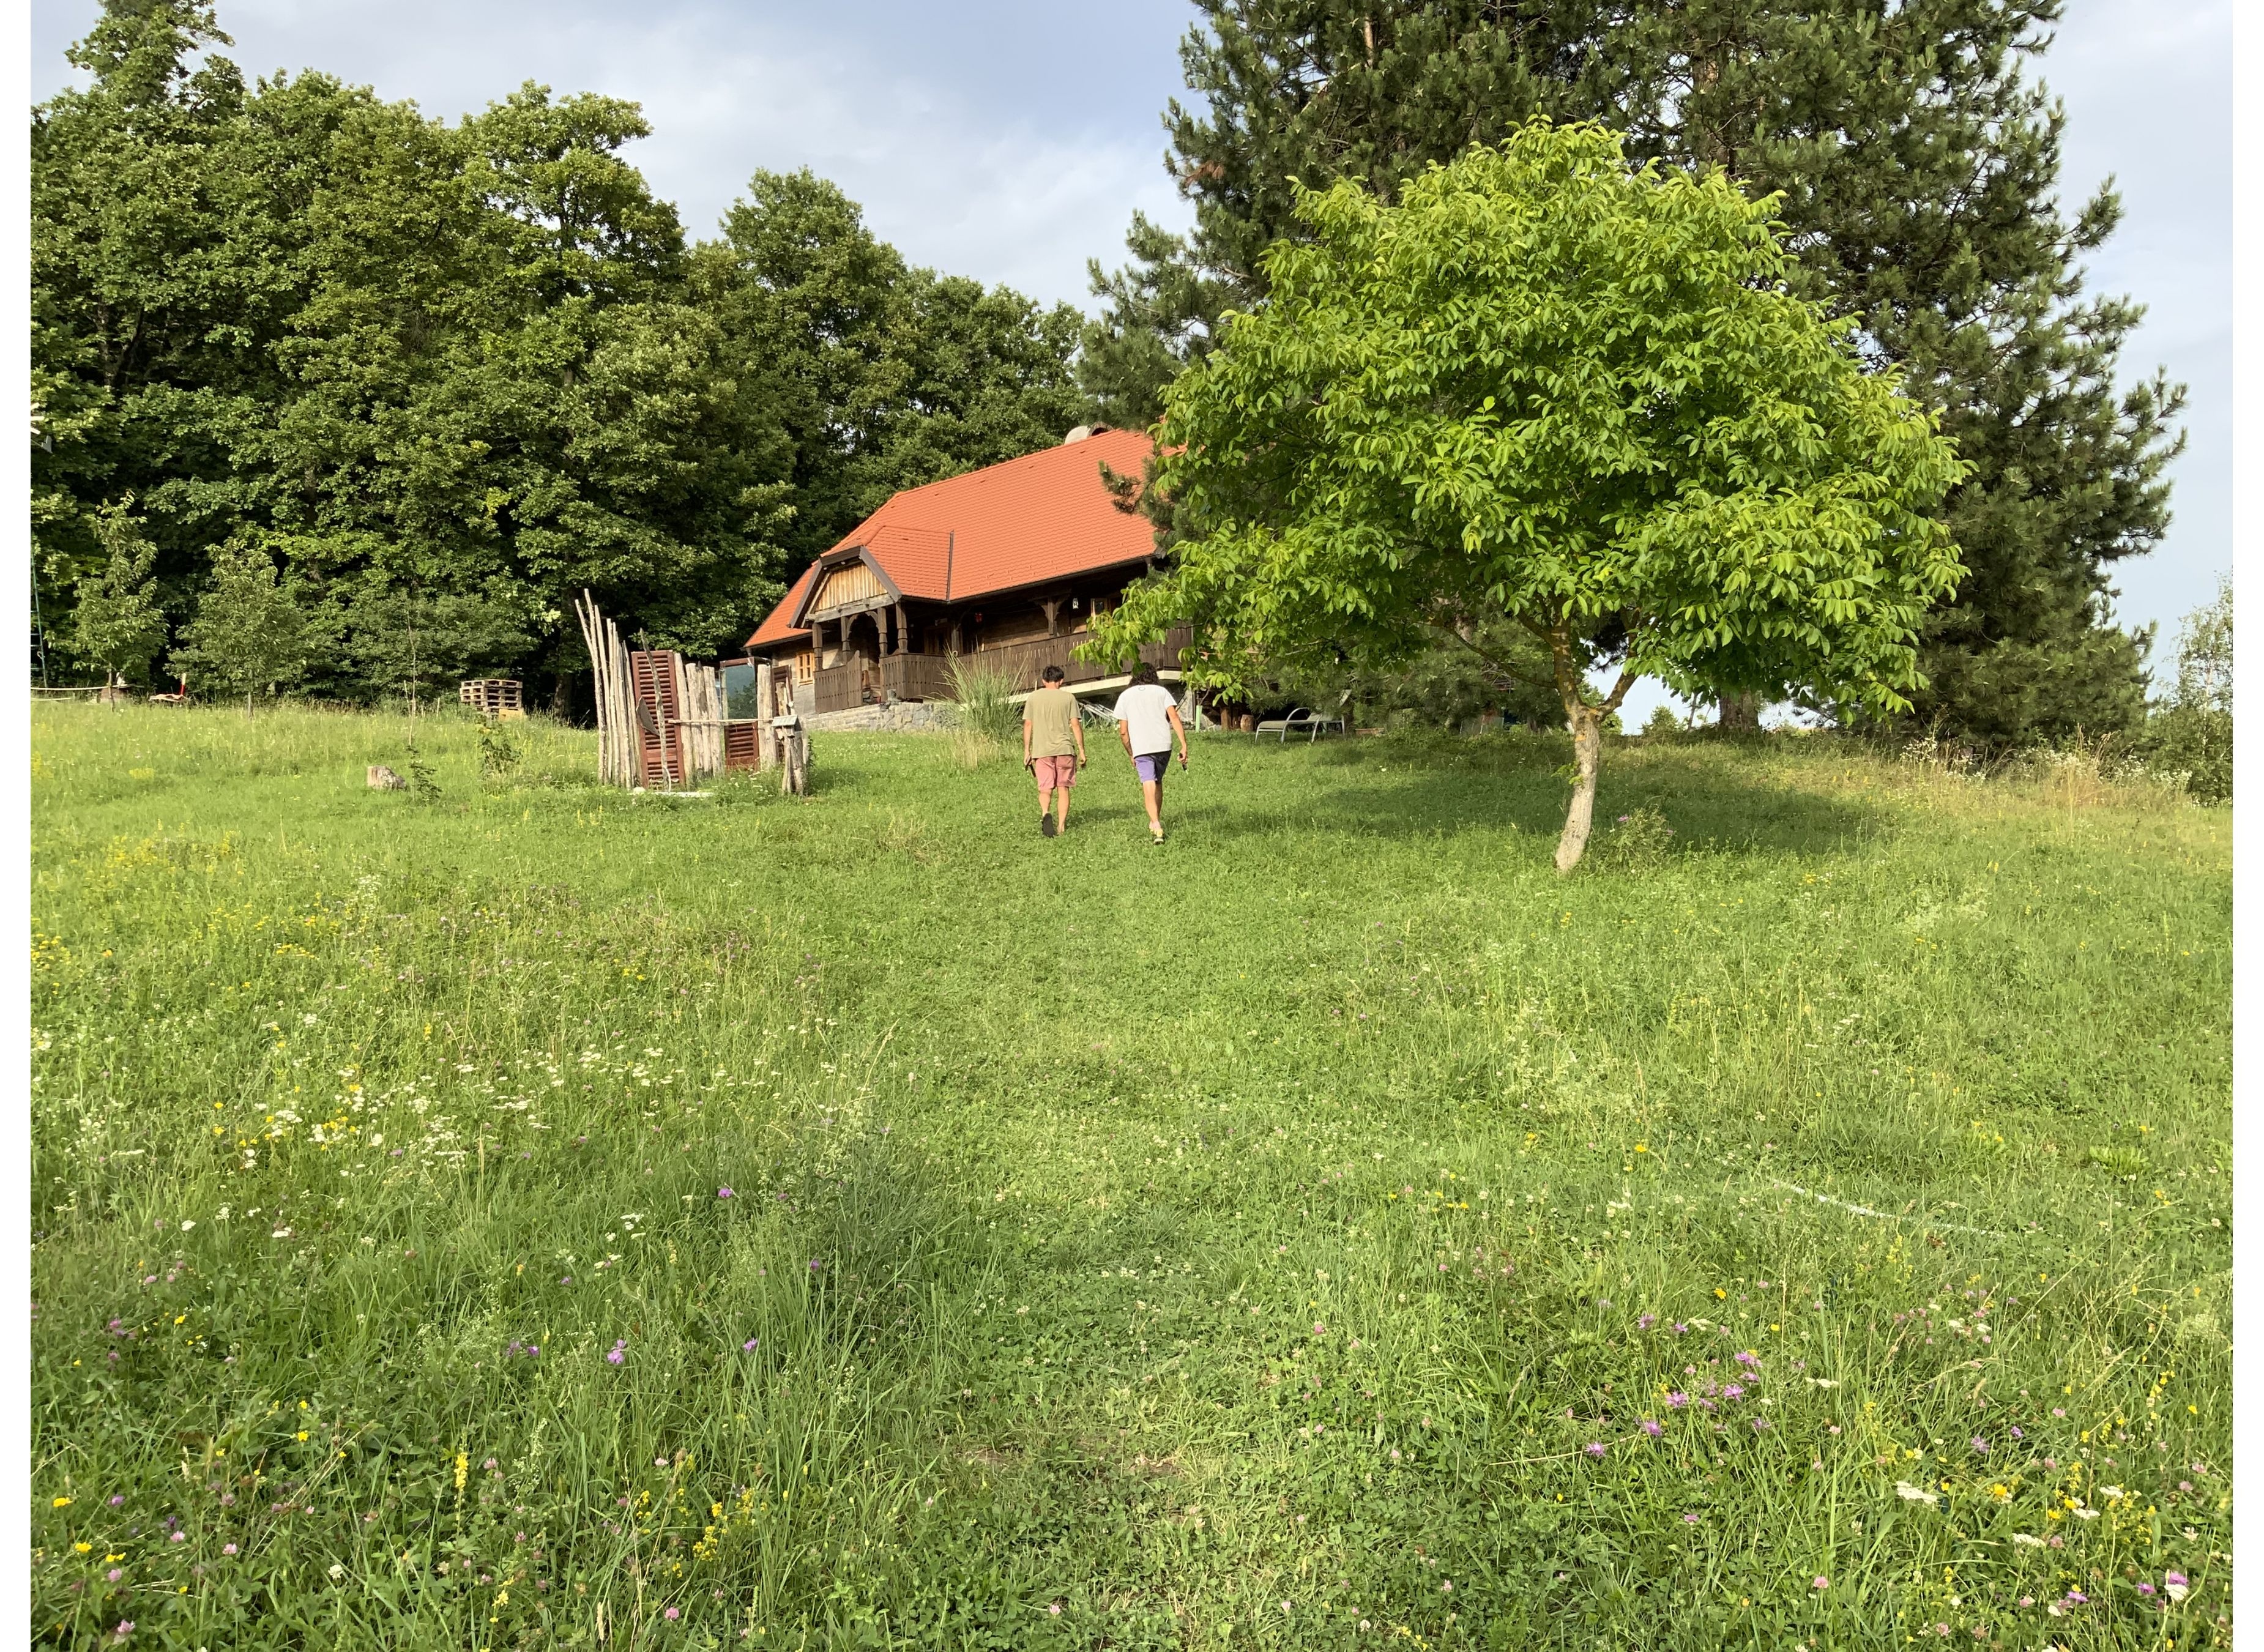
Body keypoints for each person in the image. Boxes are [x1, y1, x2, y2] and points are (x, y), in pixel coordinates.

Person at [1112, 662, 1188, 843]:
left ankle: (1155, 823)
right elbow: (1175, 718)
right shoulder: (1162, 692)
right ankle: (1157, 820)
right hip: (1163, 745)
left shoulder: (1125, 696)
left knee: (1148, 782)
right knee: (1157, 781)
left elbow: (1123, 731)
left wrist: (1131, 752)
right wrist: (1184, 744)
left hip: (1141, 747)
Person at [1021, 664, 1086, 837]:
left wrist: (1027, 751)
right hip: (1064, 749)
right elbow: (1075, 725)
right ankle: (1062, 827)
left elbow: (1028, 724)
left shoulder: (1033, 698)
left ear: (1043, 681)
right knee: (1063, 788)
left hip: (1042, 751)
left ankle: (1045, 813)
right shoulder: (1069, 698)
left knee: (1045, 788)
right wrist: (1081, 750)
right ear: (1061, 681)